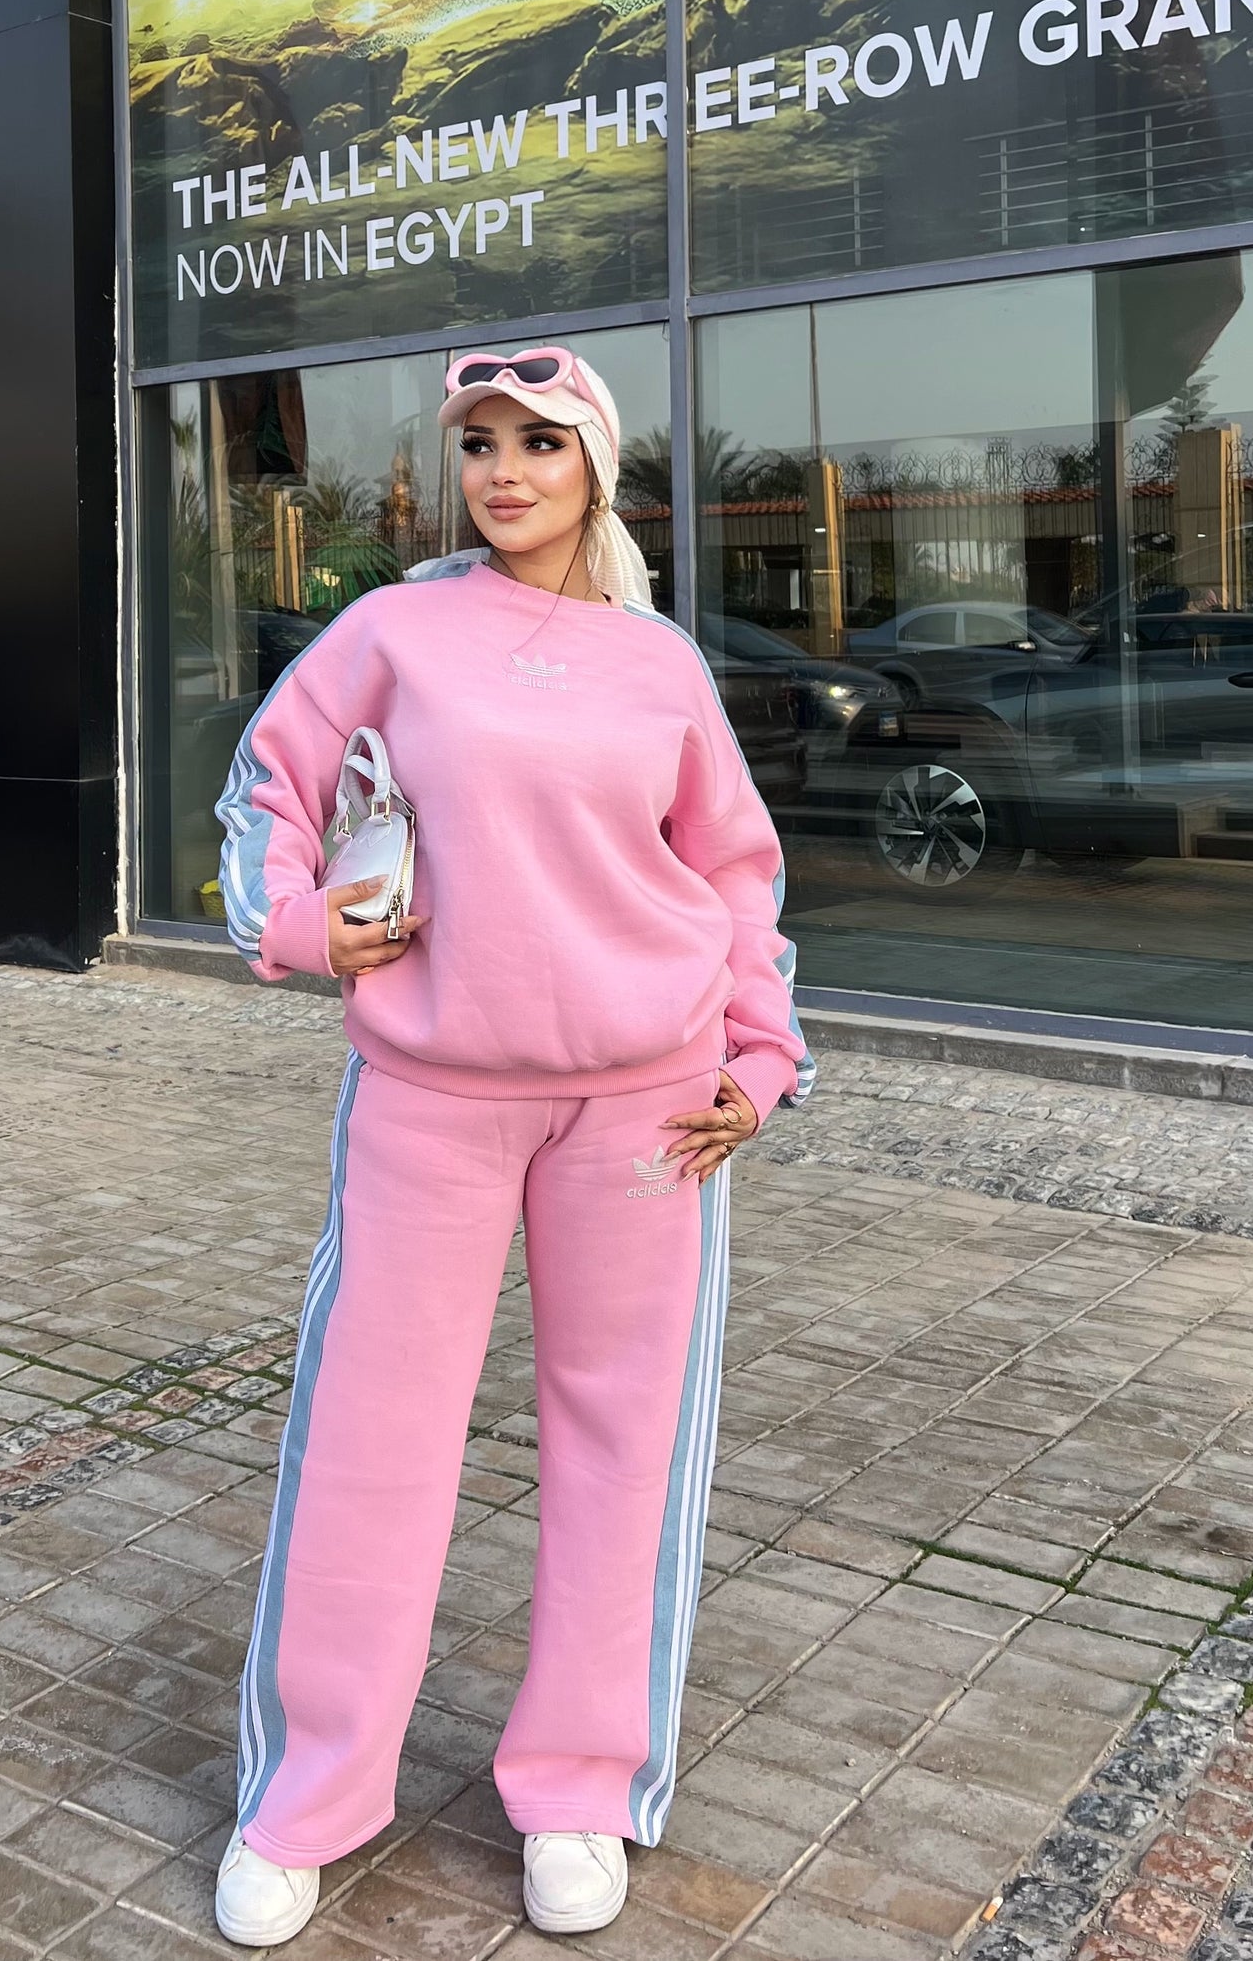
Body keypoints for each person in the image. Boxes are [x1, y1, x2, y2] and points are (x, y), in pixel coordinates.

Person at [211, 346, 811, 1947]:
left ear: (592, 465)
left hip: (649, 1107)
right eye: (478, 443)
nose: (503, 472)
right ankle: (307, 1797)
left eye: (540, 442)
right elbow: (267, 787)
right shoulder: (391, 632)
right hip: (431, 1098)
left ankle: (578, 1788)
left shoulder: (661, 665)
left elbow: (732, 871)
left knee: (623, 1447)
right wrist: (295, 924)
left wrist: (763, 1059)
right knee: (369, 1442)